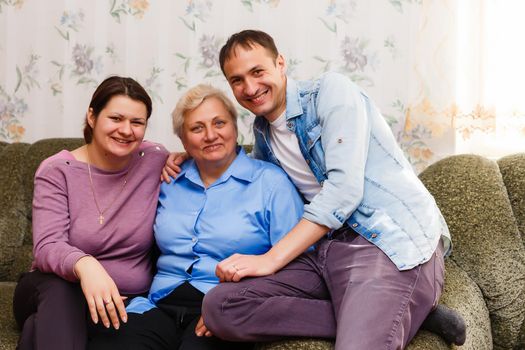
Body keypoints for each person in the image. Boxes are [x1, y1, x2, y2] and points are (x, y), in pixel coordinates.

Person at [163, 30, 466, 349]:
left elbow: (343, 192)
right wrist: (192, 155)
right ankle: (404, 313)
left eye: (258, 72)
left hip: (386, 241)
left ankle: (392, 307)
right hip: (328, 250)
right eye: (237, 80)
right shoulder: (264, 133)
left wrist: (269, 259)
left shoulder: (331, 92)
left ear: (280, 63)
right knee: (220, 306)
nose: (250, 88)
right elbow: (249, 172)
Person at [88, 84, 304, 350]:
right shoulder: (167, 179)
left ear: (235, 128)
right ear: (183, 140)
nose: (210, 135)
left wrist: (234, 304)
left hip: (225, 305)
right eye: (197, 128)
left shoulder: (271, 183)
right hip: (157, 304)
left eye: (219, 123)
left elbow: (299, 265)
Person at [12, 76, 169, 350]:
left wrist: (184, 158)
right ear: (92, 116)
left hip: (123, 300)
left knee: (40, 328)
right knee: (63, 288)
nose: (126, 130)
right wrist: (86, 266)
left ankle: (37, 329)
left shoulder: (154, 160)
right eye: (116, 118)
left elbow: (204, 156)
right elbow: (47, 246)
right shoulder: (56, 170)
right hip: (51, 288)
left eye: (137, 122)